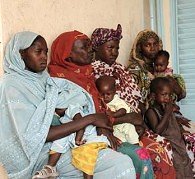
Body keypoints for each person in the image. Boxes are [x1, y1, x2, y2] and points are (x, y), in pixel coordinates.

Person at [0, 31, 136, 179]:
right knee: (120, 164)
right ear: (20, 54)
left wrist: (90, 120)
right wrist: (90, 119)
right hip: (40, 155)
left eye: (46, 52)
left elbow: (70, 104)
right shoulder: (11, 86)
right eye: (38, 52)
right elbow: (36, 136)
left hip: (65, 143)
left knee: (116, 160)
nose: (44, 57)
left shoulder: (43, 79)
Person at [48, 30, 154, 179]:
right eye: (84, 47)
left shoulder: (86, 75)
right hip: (82, 139)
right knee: (139, 156)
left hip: (104, 129)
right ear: (67, 54)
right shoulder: (59, 81)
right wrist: (104, 125)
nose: (90, 50)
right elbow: (70, 114)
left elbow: (102, 107)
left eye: (89, 45)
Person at [91, 26, 177, 179]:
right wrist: (132, 119)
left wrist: (141, 123)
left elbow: (137, 100)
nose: (114, 52)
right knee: (156, 150)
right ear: (97, 47)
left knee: (164, 145)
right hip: (117, 127)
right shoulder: (94, 72)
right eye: (110, 48)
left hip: (136, 124)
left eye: (117, 48)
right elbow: (101, 109)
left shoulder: (121, 69)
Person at [33, 84, 110, 179]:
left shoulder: (72, 107)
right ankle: (50, 168)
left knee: (86, 157)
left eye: (58, 108)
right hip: (73, 135)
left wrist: (78, 140)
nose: (56, 111)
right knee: (58, 142)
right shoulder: (64, 115)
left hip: (87, 137)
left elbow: (80, 123)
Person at [144, 77, 194, 179]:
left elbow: (174, 124)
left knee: (187, 166)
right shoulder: (151, 112)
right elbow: (157, 131)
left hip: (179, 144)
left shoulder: (167, 108)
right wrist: (167, 113)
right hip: (170, 148)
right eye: (164, 94)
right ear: (153, 96)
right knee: (179, 169)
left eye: (169, 95)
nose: (167, 98)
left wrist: (182, 131)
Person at [95, 75, 141, 145]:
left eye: (108, 94)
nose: (105, 97)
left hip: (124, 123)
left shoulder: (116, 100)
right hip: (114, 127)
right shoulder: (100, 101)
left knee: (129, 130)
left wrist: (112, 114)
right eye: (102, 94)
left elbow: (123, 110)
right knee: (120, 138)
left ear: (114, 91)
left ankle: (136, 145)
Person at [127, 29, 163, 101]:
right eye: (147, 45)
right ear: (140, 48)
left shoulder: (158, 67)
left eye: (155, 44)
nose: (152, 48)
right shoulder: (134, 69)